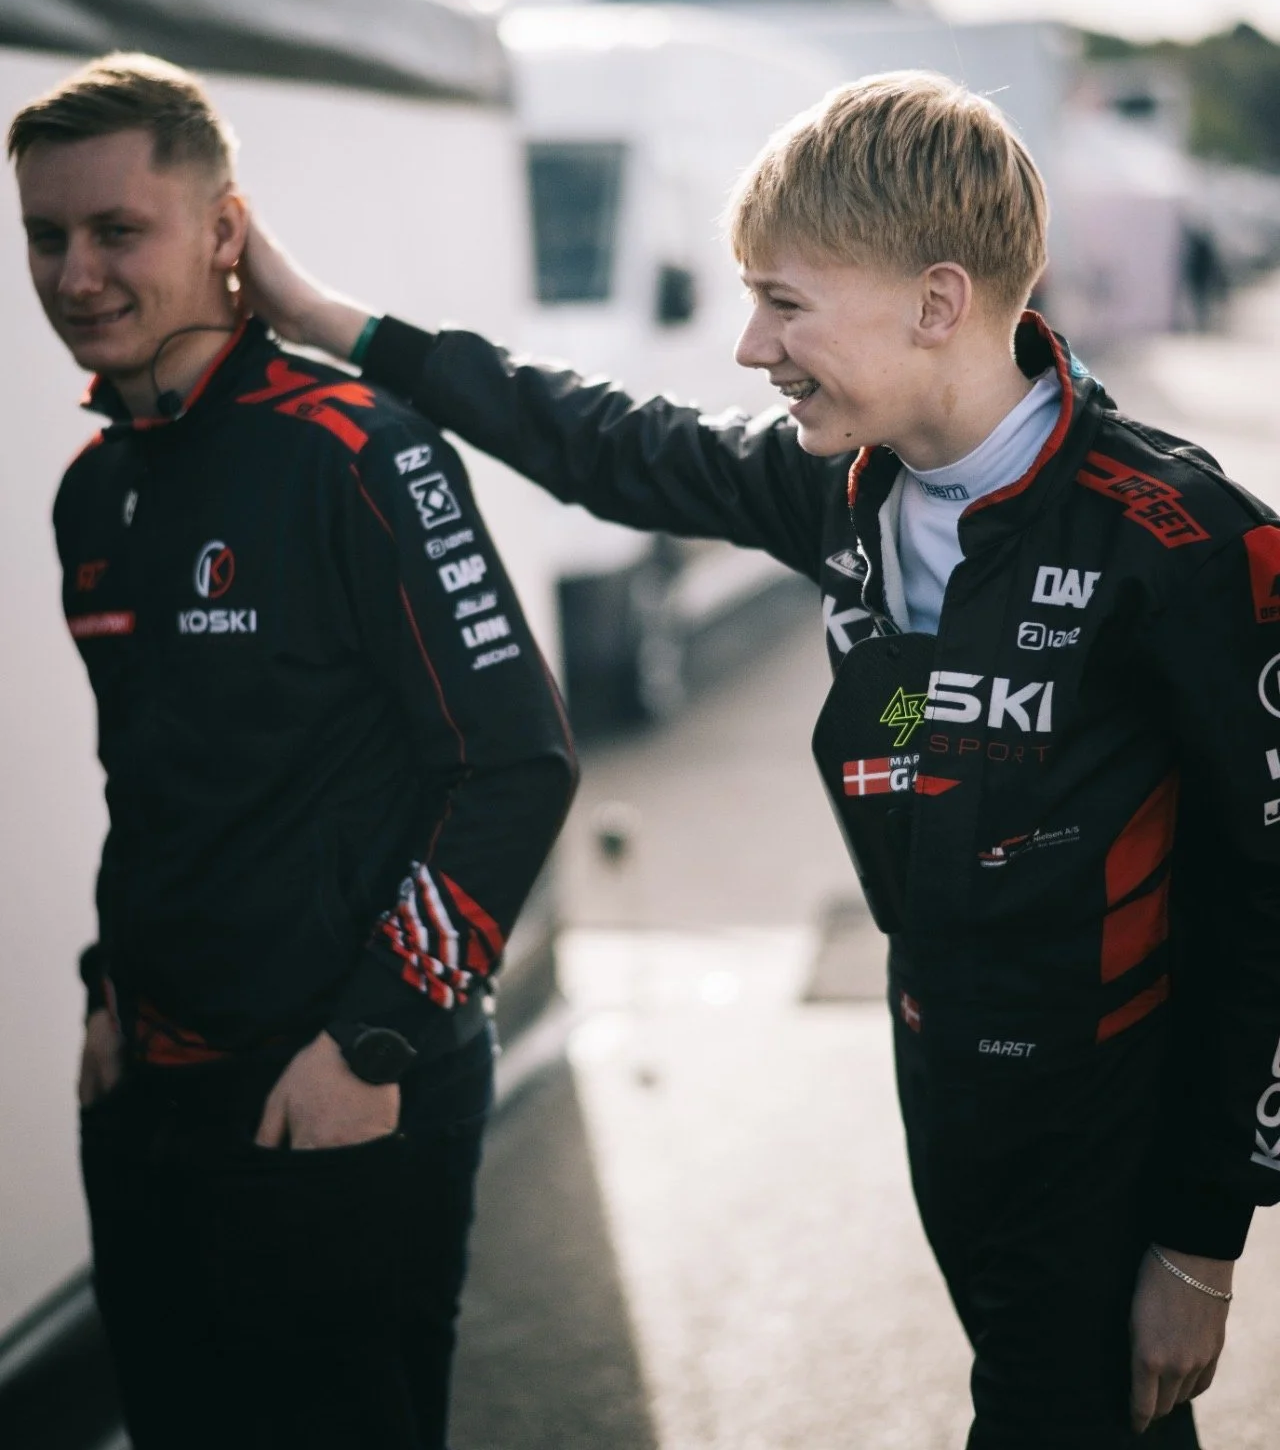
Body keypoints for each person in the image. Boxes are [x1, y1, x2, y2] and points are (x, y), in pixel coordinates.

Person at [240, 70, 1280, 1448]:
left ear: (938, 302)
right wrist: (336, 326)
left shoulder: (1184, 540)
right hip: (943, 1072)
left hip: (1108, 1112)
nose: (749, 347)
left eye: (785, 304)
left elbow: (1266, 908)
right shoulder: (840, 481)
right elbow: (600, 442)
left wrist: (1202, 1242)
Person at [9, 52, 577, 1450]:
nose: (74, 274)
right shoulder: (95, 488)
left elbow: (516, 764)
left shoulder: (357, 450)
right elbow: (160, 789)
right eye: (44, 235)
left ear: (224, 232)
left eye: (117, 230)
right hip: (151, 1090)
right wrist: (106, 995)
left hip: (339, 1093)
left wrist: (369, 1041)